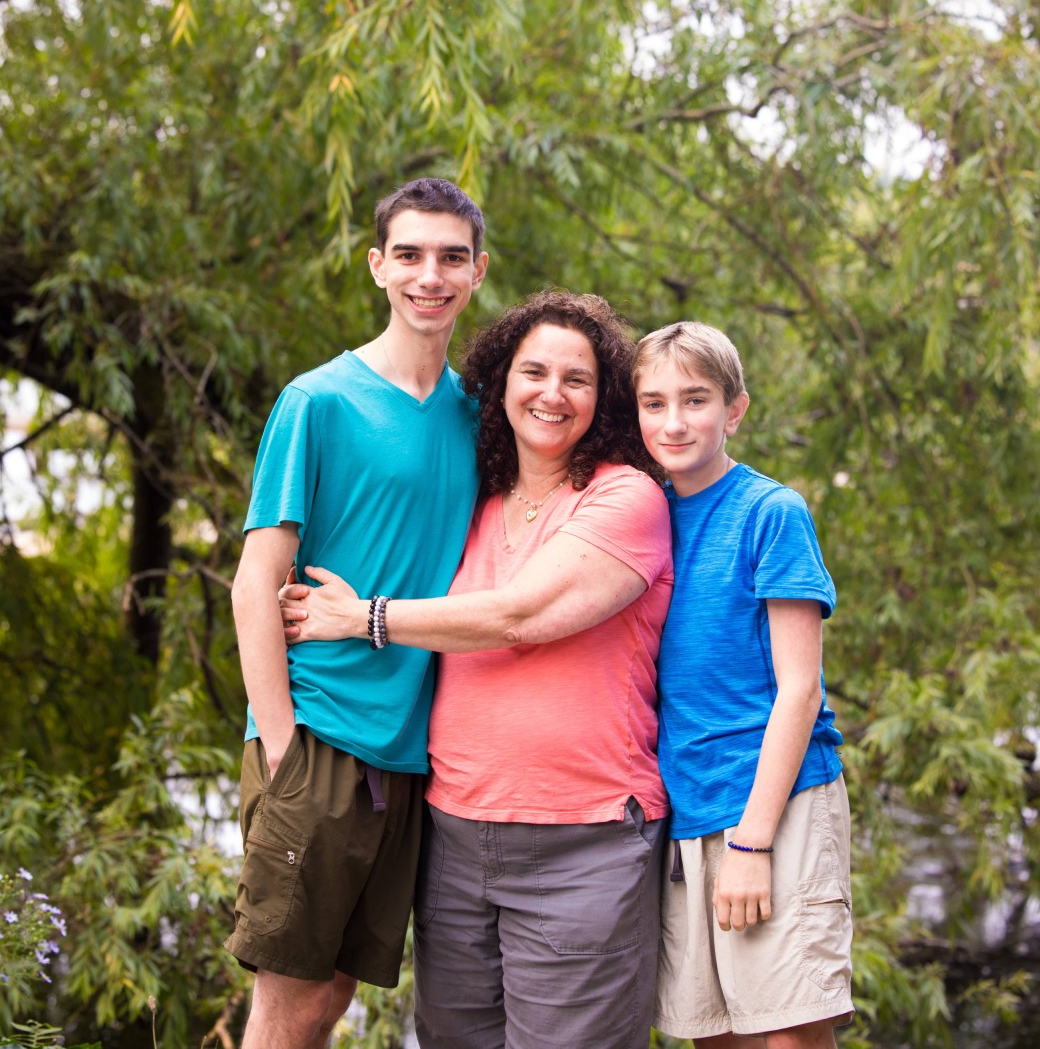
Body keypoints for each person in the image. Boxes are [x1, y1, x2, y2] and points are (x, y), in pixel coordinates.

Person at [282, 290, 674, 1048]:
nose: (552, 395)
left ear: (606, 397)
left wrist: (365, 618)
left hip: (582, 846)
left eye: (577, 379)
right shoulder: (480, 499)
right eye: (534, 373)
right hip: (455, 838)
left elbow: (520, 615)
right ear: (500, 383)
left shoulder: (625, 498)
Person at [225, 177, 489, 1049]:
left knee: (334, 996)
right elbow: (256, 579)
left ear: (478, 272)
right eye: (409, 254)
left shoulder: (478, 419)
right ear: (377, 265)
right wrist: (280, 747)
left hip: (415, 756)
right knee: (288, 1002)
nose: (430, 275)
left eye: (451, 257)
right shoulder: (319, 402)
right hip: (324, 738)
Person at [631, 321, 854, 1048]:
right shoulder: (642, 516)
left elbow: (800, 689)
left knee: (786, 1033)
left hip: (771, 804)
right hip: (685, 809)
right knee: (714, 1033)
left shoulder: (769, 512)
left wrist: (753, 845)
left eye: (695, 400)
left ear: (734, 410)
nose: (673, 421)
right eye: (653, 402)